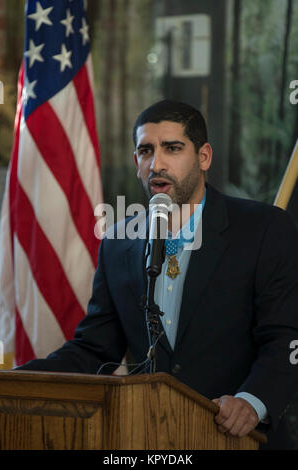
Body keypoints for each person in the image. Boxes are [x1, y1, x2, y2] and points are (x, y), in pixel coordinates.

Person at [17, 100, 298, 448]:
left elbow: (286, 339)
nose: (157, 163)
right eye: (146, 150)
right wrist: (17, 381)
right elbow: (94, 350)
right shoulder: (118, 243)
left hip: (241, 439)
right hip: (150, 440)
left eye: (173, 148)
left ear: (204, 157)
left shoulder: (264, 229)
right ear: (137, 162)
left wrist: (252, 402)